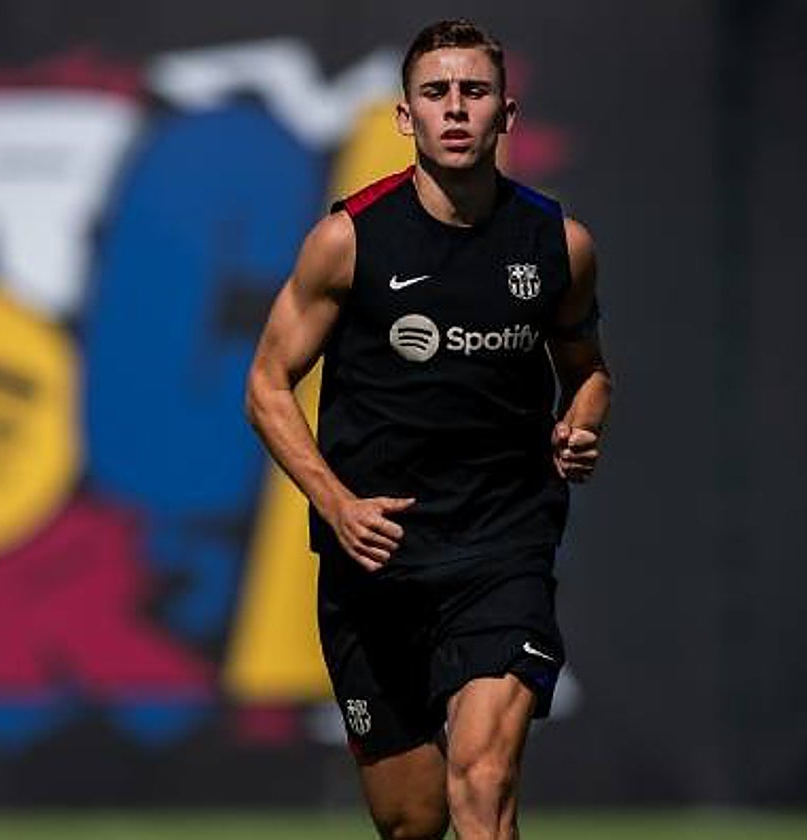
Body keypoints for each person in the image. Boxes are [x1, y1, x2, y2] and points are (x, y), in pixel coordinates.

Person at [246, 18, 611, 840]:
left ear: (505, 114)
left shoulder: (558, 245)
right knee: (412, 821)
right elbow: (267, 385)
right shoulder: (348, 241)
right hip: (375, 562)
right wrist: (337, 504)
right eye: (436, 93)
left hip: (502, 549)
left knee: (482, 783)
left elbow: (587, 368)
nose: (456, 109)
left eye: (474, 92)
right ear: (406, 116)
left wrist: (581, 423)